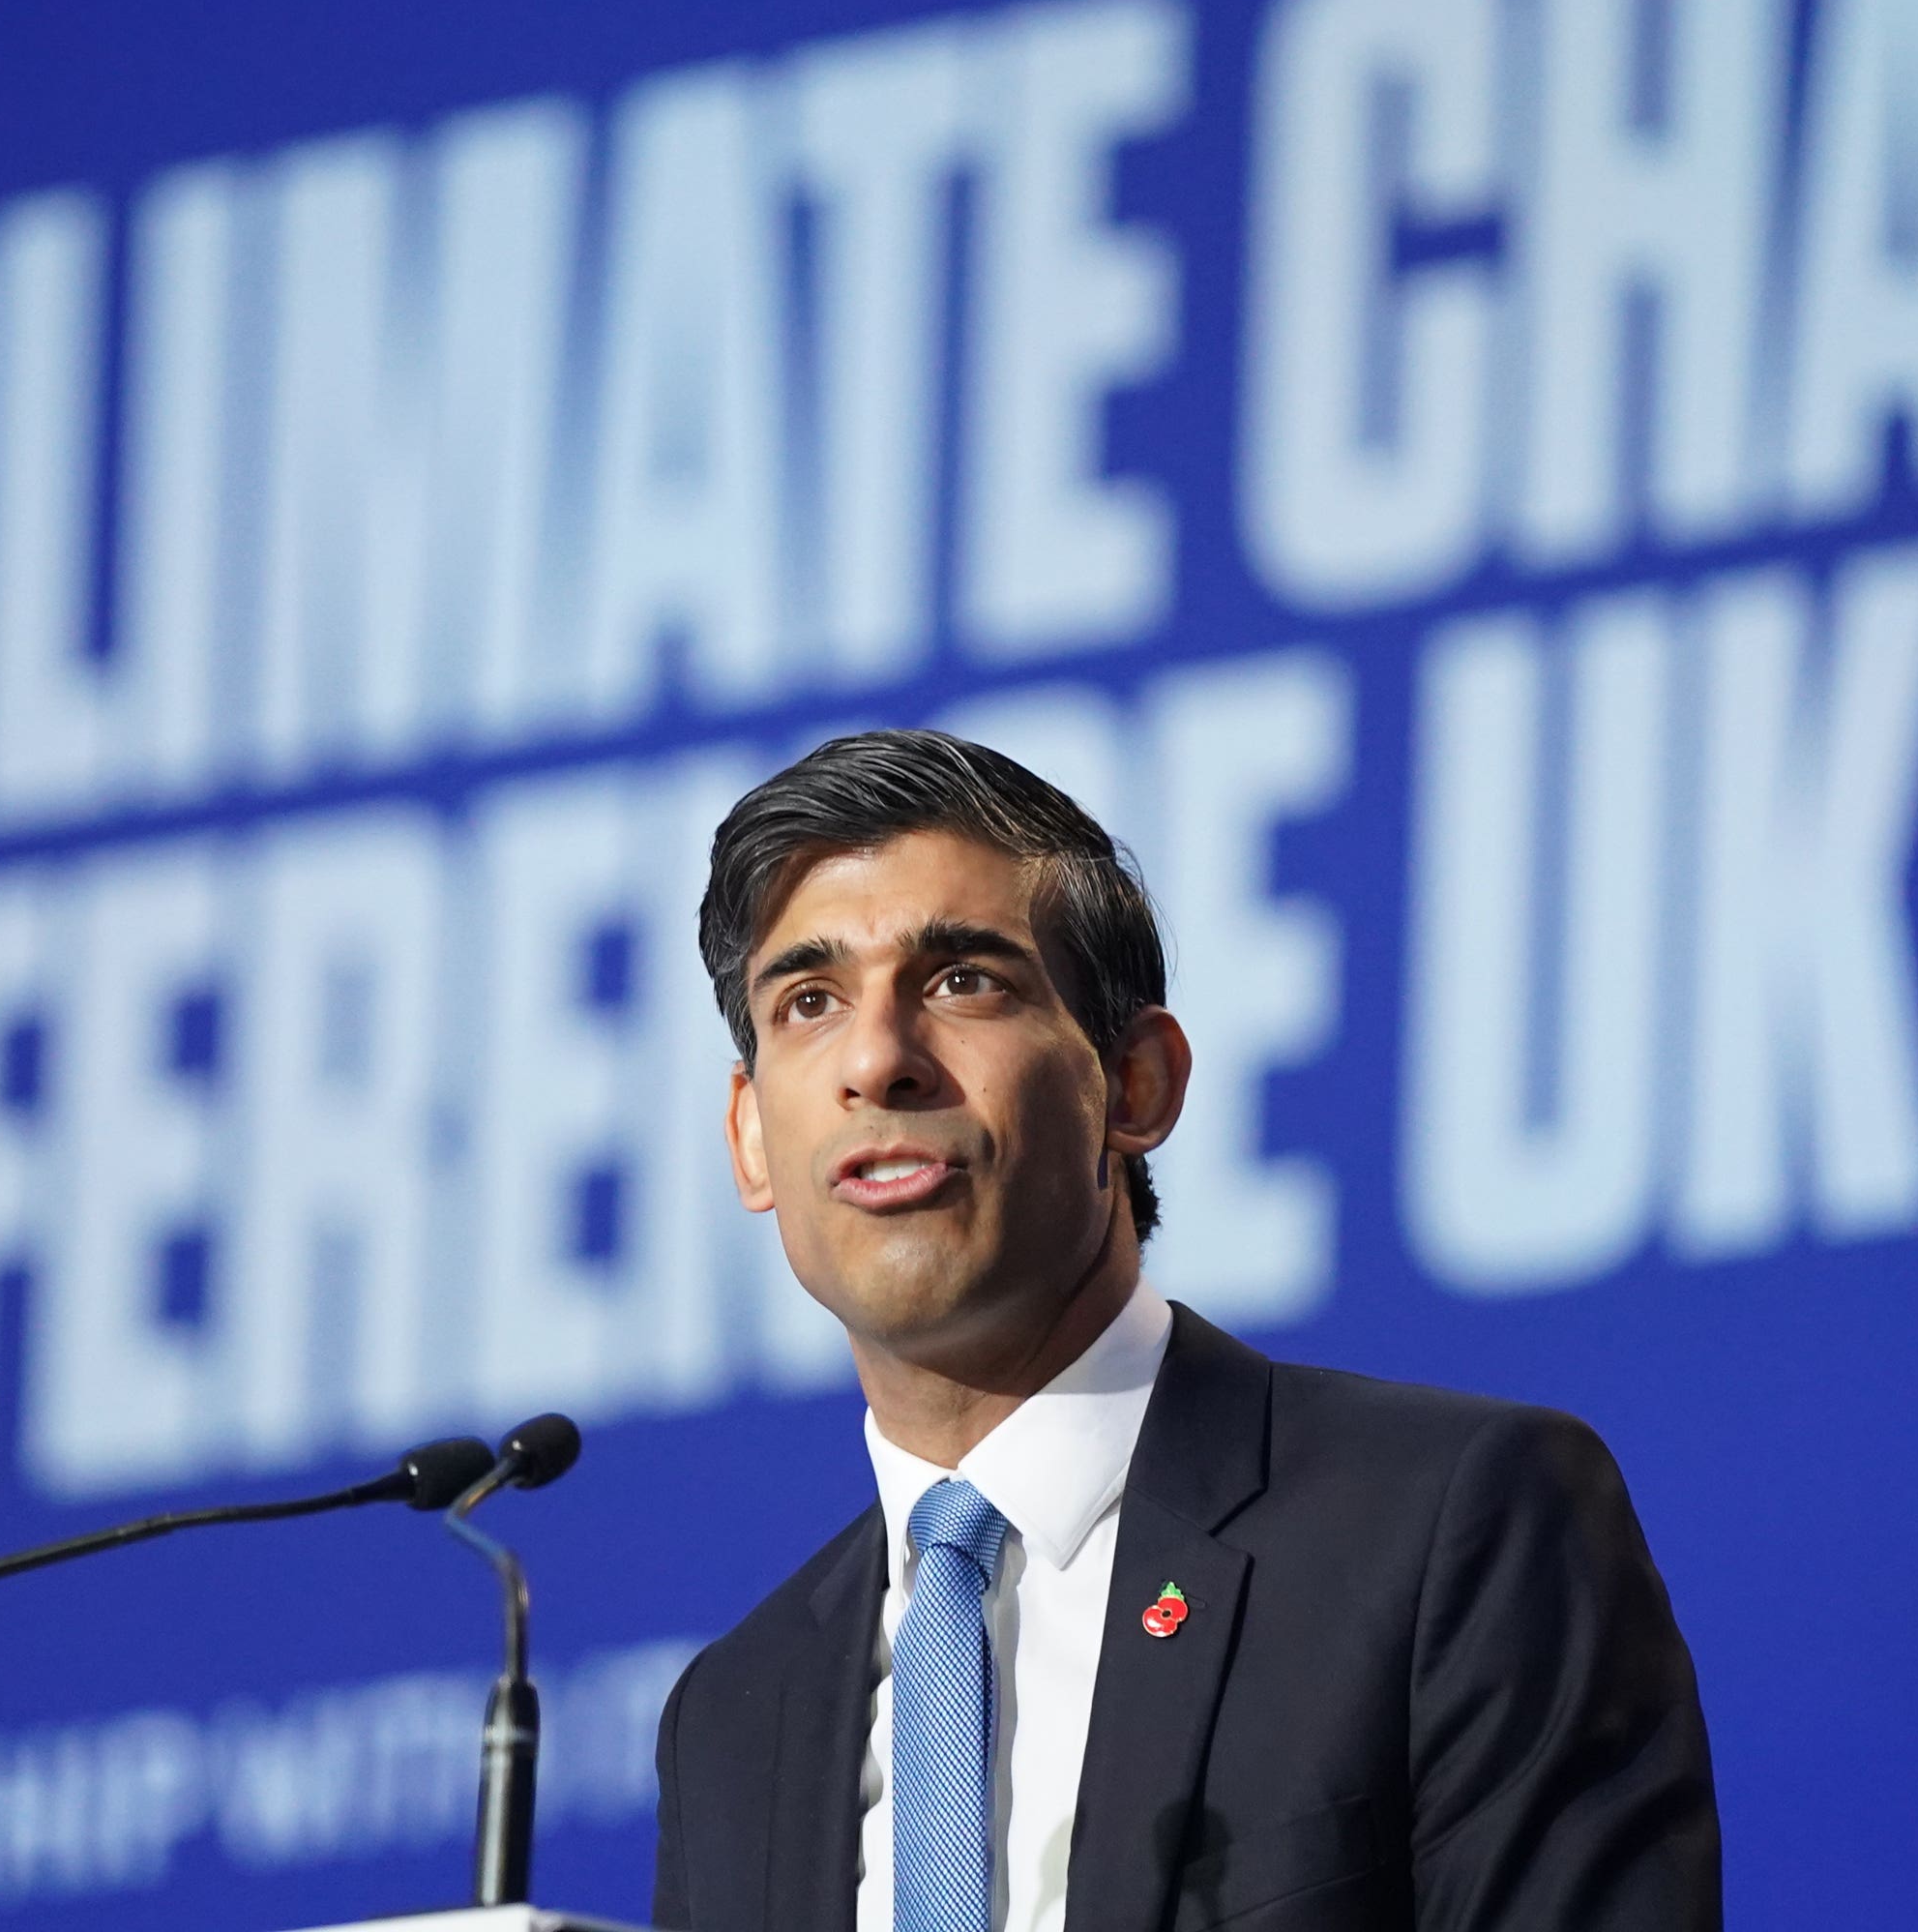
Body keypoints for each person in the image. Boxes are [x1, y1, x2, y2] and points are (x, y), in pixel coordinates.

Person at [650, 730, 1718, 1932]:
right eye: (808, 1001)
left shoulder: (1446, 1526)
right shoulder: (737, 1716)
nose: (879, 1058)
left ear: (1138, 1082)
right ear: (750, 1137)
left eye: (963, 981)